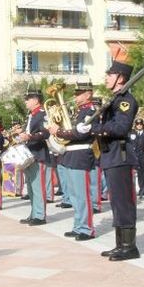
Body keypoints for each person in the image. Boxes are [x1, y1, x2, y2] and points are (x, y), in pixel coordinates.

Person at [81, 62, 140, 259]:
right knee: (116, 202)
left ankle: (129, 247)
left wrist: (93, 129)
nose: (106, 78)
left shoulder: (126, 100)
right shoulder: (113, 100)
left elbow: (120, 128)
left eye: (110, 74)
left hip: (120, 155)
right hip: (110, 155)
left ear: (120, 78)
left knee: (123, 202)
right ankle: (120, 244)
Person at [49, 81, 97, 241]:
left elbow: (81, 133)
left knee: (82, 195)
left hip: (81, 154)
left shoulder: (90, 110)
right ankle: (78, 226)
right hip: (70, 155)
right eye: (75, 94)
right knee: (75, 195)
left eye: (78, 94)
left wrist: (59, 131)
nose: (75, 97)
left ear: (88, 94)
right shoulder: (79, 111)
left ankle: (87, 228)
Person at [18, 89, 50, 226]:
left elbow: (46, 133)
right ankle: (33, 213)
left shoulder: (42, 114)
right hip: (29, 154)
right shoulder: (31, 115)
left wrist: (29, 136)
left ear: (36, 100)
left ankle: (40, 215)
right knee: (30, 187)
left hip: (38, 154)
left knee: (38, 187)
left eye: (28, 99)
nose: (25, 101)